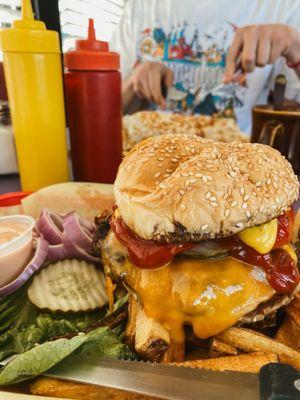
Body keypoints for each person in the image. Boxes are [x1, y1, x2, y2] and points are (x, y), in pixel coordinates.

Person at [110, 0, 300, 133]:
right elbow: (103, 115)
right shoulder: (140, 6)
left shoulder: (283, 6)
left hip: (231, 166)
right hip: (146, 158)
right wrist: (134, 81)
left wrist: (295, 49)